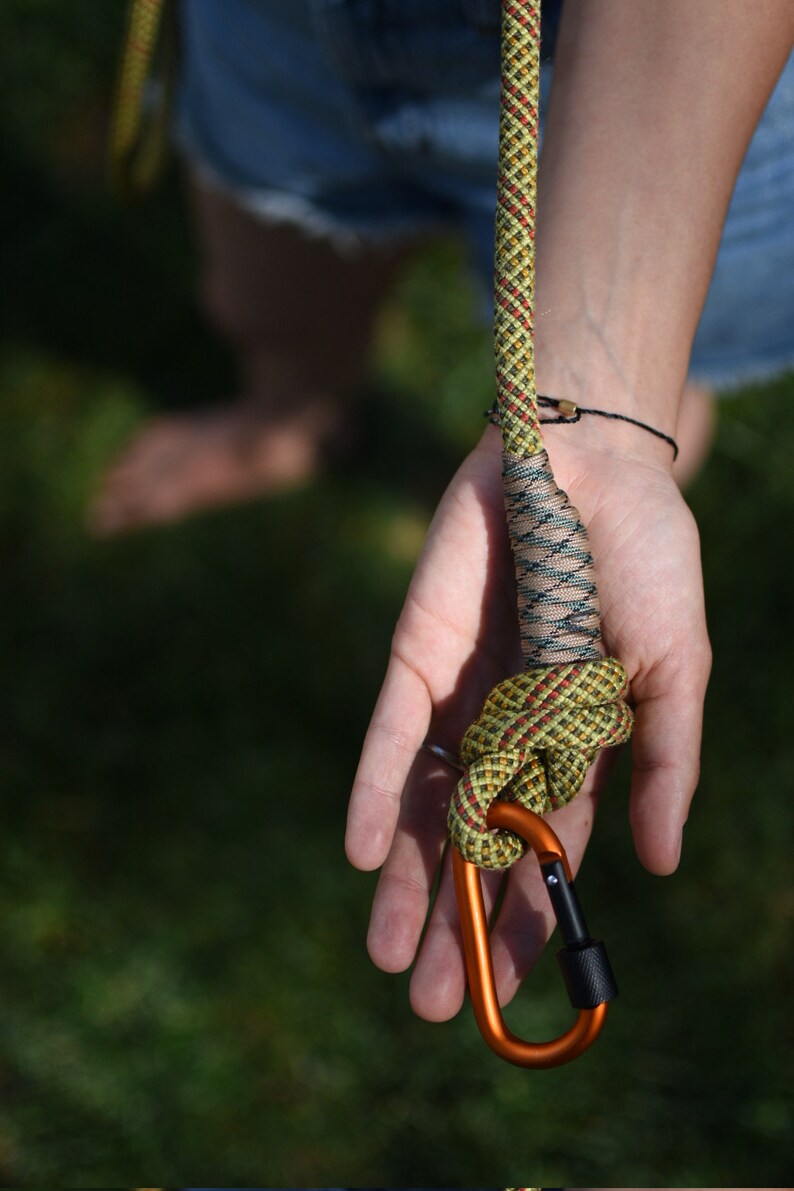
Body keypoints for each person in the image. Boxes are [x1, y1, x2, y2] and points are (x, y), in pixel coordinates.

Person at [99, 1, 794, 1021]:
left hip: (677, 92)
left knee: (664, 393)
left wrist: (609, 432)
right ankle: (291, 412)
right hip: (286, 34)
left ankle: (621, 463)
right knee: (269, 303)